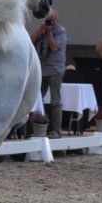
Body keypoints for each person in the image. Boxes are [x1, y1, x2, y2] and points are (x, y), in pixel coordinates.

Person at [30, 9, 67, 138]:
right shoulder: (42, 28)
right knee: (36, 98)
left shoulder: (60, 31)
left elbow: (54, 46)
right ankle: (36, 127)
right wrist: (41, 28)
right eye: (47, 18)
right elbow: (30, 40)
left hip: (56, 69)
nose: (49, 21)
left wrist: (49, 31)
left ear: (56, 19)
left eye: (52, 19)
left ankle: (56, 130)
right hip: (42, 69)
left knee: (55, 101)